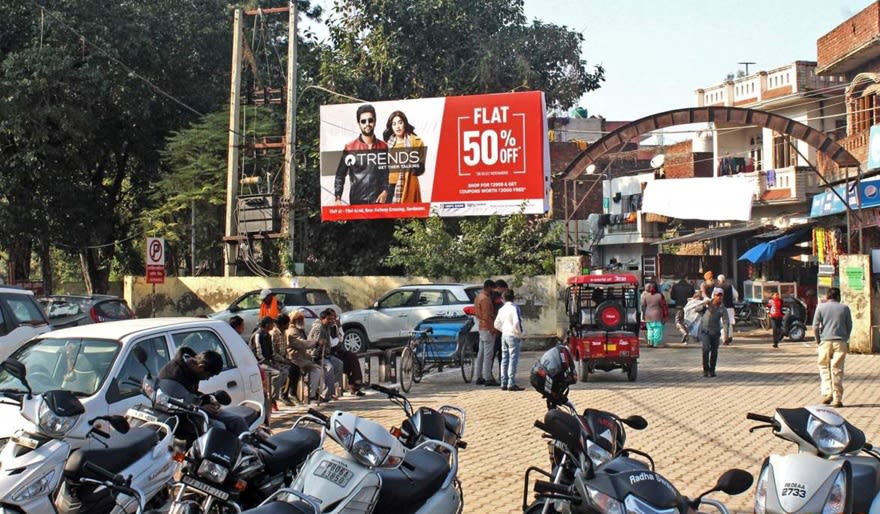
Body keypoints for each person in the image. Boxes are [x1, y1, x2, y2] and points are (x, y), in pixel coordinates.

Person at [158, 347, 249, 435]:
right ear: (201, 367)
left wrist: (209, 400)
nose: (207, 379)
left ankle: (245, 447)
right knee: (219, 428)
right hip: (181, 418)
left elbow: (192, 394)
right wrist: (200, 408)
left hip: (196, 410)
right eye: (209, 375)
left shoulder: (192, 370)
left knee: (237, 420)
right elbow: (175, 402)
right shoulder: (173, 374)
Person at [334, 104, 389, 205]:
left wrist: (385, 191)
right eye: (363, 121)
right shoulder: (350, 148)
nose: (367, 124)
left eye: (370, 120)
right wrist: (338, 197)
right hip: (357, 205)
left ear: (375, 122)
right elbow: (340, 175)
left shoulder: (383, 147)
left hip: (378, 204)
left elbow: (386, 173)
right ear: (359, 123)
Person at [813, 287, 852, 408]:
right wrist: (845, 338)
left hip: (825, 341)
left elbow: (815, 326)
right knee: (837, 370)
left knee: (824, 367)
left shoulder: (820, 307)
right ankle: (837, 399)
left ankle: (827, 392)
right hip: (840, 342)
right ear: (838, 297)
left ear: (827, 297)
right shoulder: (845, 308)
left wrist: (818, 340)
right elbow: (849, 326)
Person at [287, 311, 337, 403]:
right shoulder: (292, 331)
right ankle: (311, 395)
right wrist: (317, 343)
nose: (302, 321)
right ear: (294, 320)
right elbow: (301, 343)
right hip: (296, 358)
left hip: (303, 357)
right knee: (317, 370)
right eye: (299, 319)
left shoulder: (299, 330)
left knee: (322, 369)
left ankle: (321, 392)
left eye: (302, 319)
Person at [383, 110, 426, 203]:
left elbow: (421, 169)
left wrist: (415, 164)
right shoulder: (386, 145)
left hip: (409, 184)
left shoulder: (416, 142)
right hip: (390, 187)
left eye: (400, 123)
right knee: (390, 216)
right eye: (394, 124)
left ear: (405, 124)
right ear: (391, 127)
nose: (397, 127)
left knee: (410, 216)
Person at [326, 309, 365, 396]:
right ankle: (335, 389)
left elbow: (341, 338)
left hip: (338, 351)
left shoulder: (335, 326)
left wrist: (339, 326)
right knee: (344, 363)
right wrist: (338, 338)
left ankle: (356, 385)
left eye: (335, 317)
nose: (334, 320)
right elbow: (332, 342)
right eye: (332, 318)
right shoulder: (325, 327)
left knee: (352, 356)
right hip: (330, 353)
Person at [308, 310, 346, 398]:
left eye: (332, 319)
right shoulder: (318, 328)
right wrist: (319, 343)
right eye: (328, 319)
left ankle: (331, 388)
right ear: (322, 319)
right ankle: (326, 394)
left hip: (326, 355)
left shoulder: (327, 327)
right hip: (316, 356)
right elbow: (313, 344)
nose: (331, 321)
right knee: (329, 367)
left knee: (339, 364)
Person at [494, 289, 525, 391]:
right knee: (513, 360)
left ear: (503, 298)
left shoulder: (501, 309)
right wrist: (519, 333)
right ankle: (511, 383)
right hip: (513, 335)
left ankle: (504, 382)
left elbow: (496, 324)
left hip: (504, 335)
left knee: (504, 359)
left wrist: (504, 330)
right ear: (513, 297)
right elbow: (517, 322)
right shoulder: (514, 308)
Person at [696, 288, 731, 377]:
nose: (719, 297)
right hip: (705, 331)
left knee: (714, 352)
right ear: (714, 296)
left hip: (715, 332)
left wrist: (726, 335)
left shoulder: (722, 308)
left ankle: (712, 370)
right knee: (706, 349)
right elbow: (697, 309)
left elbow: (726, 321)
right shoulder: (708, 303)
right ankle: (705, 369)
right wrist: (704, 306)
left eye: (721, 295)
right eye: (717, 295)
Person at [250, 316, 281, 414]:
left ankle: (273, 397)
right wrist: (269, 363)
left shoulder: (268, 335)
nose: (273, 325)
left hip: (267, 361)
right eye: (272, 323)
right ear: (267, 324)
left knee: (284, 371)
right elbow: (259, 354)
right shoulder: (258, 335)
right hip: (258, 363)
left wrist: (274, 361)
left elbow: (271, 352)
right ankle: (271, 398)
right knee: (277, 373)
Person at [473, 279, 498, 386]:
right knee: (488, 355)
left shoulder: (478, 297)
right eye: (492, 288)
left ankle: (478, 376)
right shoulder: (486, 299)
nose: (493, 290)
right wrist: (492, 329)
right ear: (488, 287)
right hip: (487, 328)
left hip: (481, 327)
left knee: (481, 354)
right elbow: (487, 316)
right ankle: (488, 377)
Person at [271, 314, 295, 405]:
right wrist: (284, 360)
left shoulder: (284, 332)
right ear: (282, 324)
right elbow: (273, 352)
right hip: (275, 360)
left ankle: (287, 394)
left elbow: (284, 349)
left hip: (283, 358)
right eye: (287, 323)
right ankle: (277, 396)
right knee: (285, 372)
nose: (288, 325)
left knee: (295, 368)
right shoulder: (274, 333)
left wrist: (287, 359)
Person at [640, 283, 667, 348]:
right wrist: (665, 315)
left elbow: (643, 305)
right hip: (657, 315)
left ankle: (650, 342)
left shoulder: (646, 296)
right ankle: (655, 343)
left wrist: (643, 314)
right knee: (657, 329)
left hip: (648, 314)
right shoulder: (660, 296)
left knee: (649, 329)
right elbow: (663, 306)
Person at [671, 277, 695, 344]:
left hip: (679, 306)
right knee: (686, 321)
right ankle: (686, 337)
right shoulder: (690, 286)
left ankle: (684, 333)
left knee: (678, 321)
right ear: (686, 278)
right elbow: (693, 296)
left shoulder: (675, 286)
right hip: (688, 306)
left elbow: (672, 297)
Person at [716, 274, 738, 344]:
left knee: (722, 323)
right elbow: (736, 295)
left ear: (719, 280)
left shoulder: (717, 287)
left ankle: (724, 338)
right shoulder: (730, 286)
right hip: (730, 307)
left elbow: (713, 297)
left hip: (720, 307)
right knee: (730, 322)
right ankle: (730, 336)